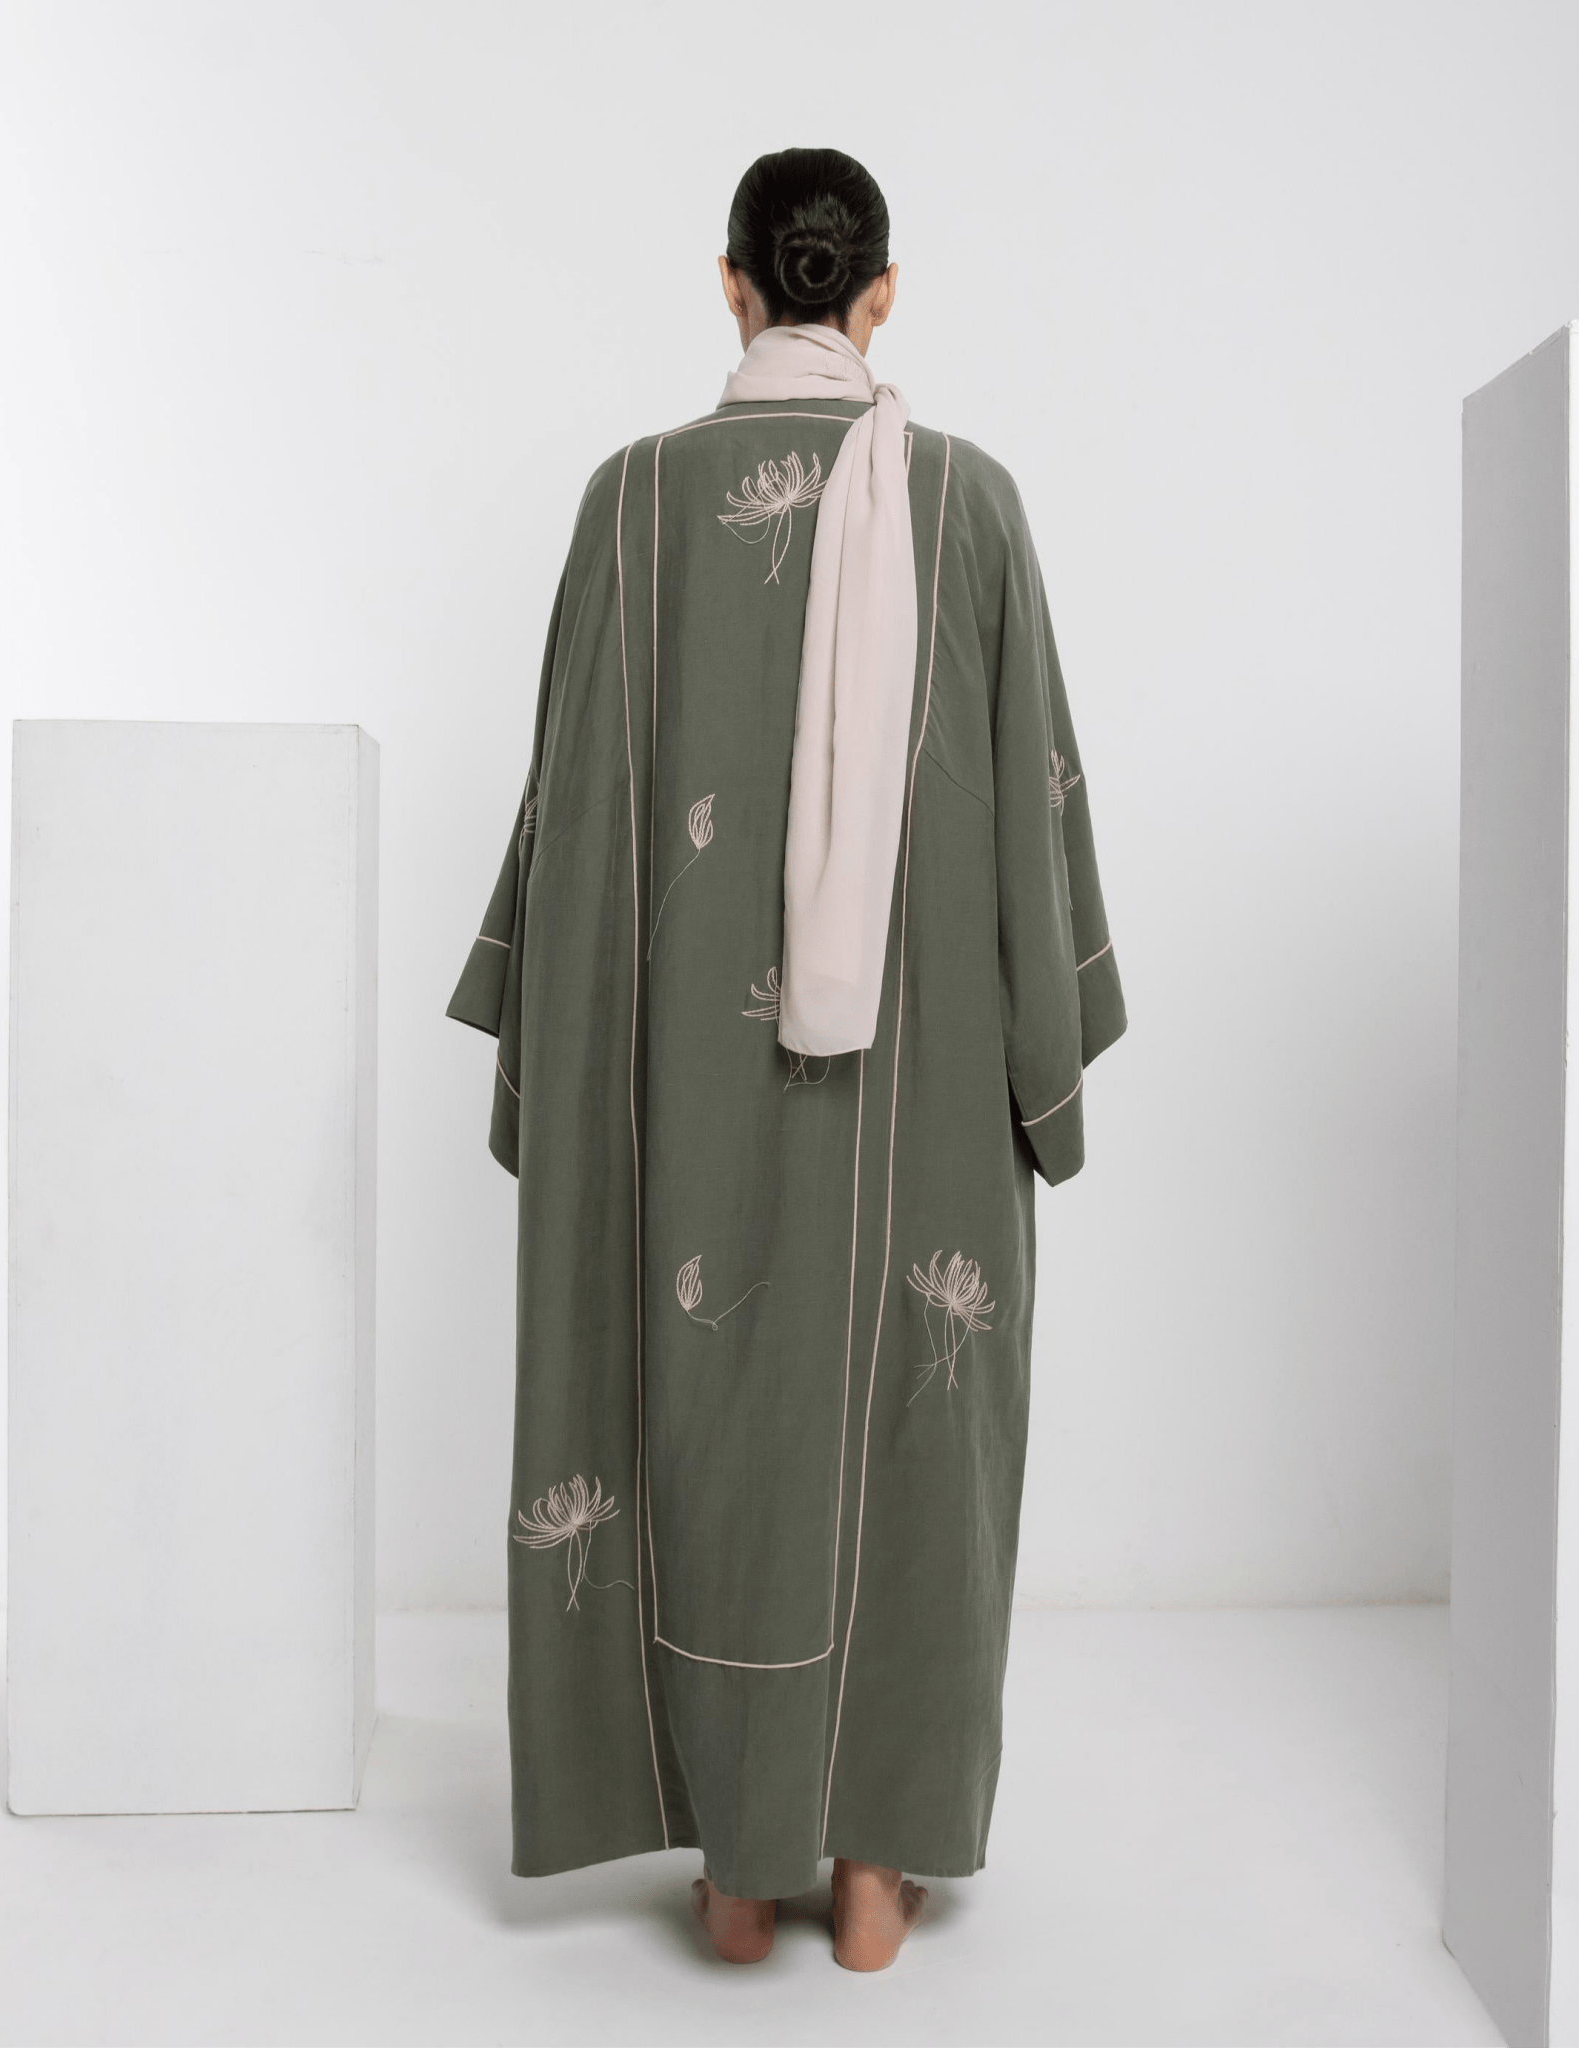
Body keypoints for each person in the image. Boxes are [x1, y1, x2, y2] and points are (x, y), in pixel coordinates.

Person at [447, 146, 1125, 1971]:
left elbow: (575, 801)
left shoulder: (630, 504)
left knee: (688, 1411)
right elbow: (1034, 811)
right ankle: (878, 1876)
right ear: (880, 295)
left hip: (673, 1074)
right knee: (910, 1422)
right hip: (921, 1071)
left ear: (732, 285)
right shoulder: (968, 502)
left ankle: (735, 1879)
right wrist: (1047, 1056)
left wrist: (547, 1051)